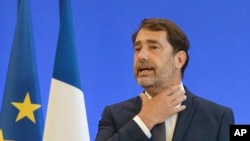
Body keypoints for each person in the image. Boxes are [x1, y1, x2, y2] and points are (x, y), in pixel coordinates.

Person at [95, 18, 234, 141]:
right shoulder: (113, 115)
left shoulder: (218, 117)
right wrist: (144, 121)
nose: (141, 56)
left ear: (179, 59)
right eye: (137, 49)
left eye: (154, 47)